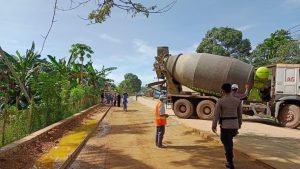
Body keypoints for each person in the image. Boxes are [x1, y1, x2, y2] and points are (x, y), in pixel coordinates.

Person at [212, 83, 242, 169]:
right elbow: (240, 115)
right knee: (229, 142)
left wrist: (214, 126)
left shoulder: (220, 101)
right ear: (231, 89)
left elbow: (216, 115)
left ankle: (230, 161)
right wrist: (239, 125)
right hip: (234, 126)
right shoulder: (237, 101)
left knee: (226, 143)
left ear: (223, 90)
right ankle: (230, 157)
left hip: (225, 126)